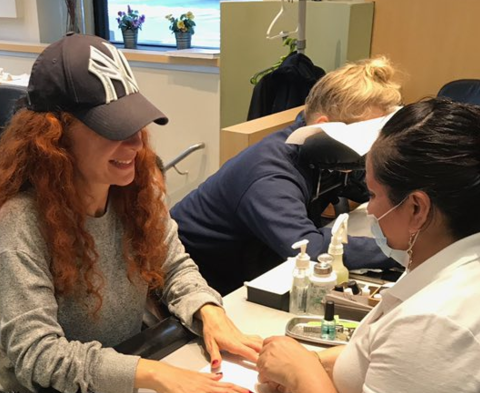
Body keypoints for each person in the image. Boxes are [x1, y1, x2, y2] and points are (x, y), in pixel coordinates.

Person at [0, 34, 262, 393]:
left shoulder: (136, 193)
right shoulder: (23, 220)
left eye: (136, 124)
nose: (136, 143)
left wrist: (209, 312)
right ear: (53, 138)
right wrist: (157, 375)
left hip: (114, 386)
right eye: (112, 128)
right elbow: (37, 355)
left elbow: (175, 268)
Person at [257, 97, 480, 393]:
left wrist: (303, 374)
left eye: (375, 195)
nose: (372, 209)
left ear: (417, 207)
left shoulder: (442, 321)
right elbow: (421, 379)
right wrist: (323, 363)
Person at [171, 57, 403, 295]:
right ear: (325, 127)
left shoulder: (324, 155)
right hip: (198, 277)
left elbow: (364, 189)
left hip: (254, 259)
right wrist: (400, 249)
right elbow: (307, 248)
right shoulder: (270, 174)